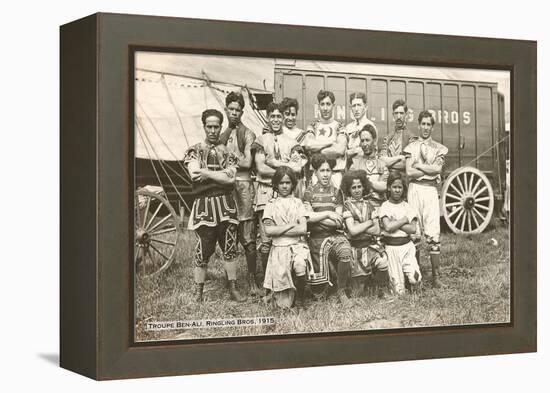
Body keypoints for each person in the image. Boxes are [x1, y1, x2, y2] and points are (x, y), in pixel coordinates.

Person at [183, 109, 246, 303]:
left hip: (226, 205)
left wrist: (208, 174)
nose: (212, 130)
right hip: (204, 206)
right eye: (209, 126)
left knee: (229, 247)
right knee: (202, 248)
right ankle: (198, 291)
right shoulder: (194, 150)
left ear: (220, 127)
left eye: (216, 126)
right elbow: (194, 174)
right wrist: (219, 175)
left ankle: (233, 288)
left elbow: (230, 179)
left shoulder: (228, 152)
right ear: (204, 126)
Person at [253, 102, 305, 288]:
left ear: (283, 118)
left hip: (288, 193)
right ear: (268, 117)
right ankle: (268, 285)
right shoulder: (261, 140)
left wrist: (275, 163)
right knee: (267, 240)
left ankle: (292, 283)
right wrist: (285, 168)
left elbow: (298, 168)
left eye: (279, 116)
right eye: (272, 116)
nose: (276, 119)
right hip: (266, 192)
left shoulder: (292, 142)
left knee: (290, 237)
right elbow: (260, 167)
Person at [219, 91, 260, 295]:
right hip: (227, 188)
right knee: (229, 234)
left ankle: (253, 280)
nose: (234, 113)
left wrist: (229, 157)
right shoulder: (222, 134)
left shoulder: (248, 133)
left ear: (242, 112)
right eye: (231, 109)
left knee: (248, 237)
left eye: (237, 110)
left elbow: (247, 162)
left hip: (244, 188)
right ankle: (231, 281)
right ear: (226, 110)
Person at [404, 110, 448, 288]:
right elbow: (409, 172)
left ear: (432, 126)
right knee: (414, 233)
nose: (425, 128)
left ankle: (436, 277)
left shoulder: (439, 148)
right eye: (423, 124)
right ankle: (415, 277)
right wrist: (427, 169)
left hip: (430, 191)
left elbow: (437, 170)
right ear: (419, 125)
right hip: (415, 189)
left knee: (433, 233)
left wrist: (419, 165)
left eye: (429, 124)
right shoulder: (411, 147)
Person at [303, 153, 353, 306]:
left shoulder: (337, 192)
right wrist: (327, 213)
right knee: (318, 293)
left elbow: (337, 222)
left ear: (332, 172)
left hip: (334, 235)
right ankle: (324, 287)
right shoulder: (309, 192)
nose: (325, 174)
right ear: (316, 172)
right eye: (322, 170)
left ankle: (341, 290)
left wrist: (317, 218)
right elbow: (307, 219)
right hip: (316, 238)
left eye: (328, 170)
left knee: (345, 250)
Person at [262, 166, 310, 308]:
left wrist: (280, 229)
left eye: (288, 183)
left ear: (292, 184)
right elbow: (269, 231)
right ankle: (285, 295)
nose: (284, 186)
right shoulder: (271, 204)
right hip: (278, 247)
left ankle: (301, 298)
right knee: (283, 305)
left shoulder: (298, 203)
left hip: (296, 245)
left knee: (300, 263)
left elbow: (303, 228)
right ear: (276, 184)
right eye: (281, 183)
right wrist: (290, 225)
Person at [341, 170, 389, 298]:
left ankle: (379, 287)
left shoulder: (370, 205)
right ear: (348, 189)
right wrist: (369, 223)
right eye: (353, 187)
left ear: (364, 187)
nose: (357, 190)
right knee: (358, 293)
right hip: (355, 248)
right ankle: (362, 284)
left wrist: (359, 225)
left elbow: (377, 231)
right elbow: (352, 231)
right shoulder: (346, 206)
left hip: (369, 246)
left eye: (359, 187)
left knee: (383, 263)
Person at [379, 172, 422, 295]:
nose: (397, 190)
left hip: (407, 247)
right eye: (394, 187)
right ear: (389, 188)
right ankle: (401, 286)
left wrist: (396, 222)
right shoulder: (385, 206)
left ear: (403, 189)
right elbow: (387, 226)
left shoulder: (407, 207)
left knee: (416, 278)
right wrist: (404, 220)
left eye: (400, 187)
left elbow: (413, 229)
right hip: (392, 248)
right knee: (398, 291)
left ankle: (413, 285)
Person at [303, 90, 347, 189]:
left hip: (336, 176)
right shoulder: (313, 126)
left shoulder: (340, 126)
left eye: (328, 104)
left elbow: (340, 149)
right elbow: (308, 144)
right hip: (317, 176)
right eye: (322, 104)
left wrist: (317, 151)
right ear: (319, 106)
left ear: (333, 106)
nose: (325, 108)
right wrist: (331, 142)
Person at [349, 124, 389, 209]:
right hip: (361, 207)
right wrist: (374, 185)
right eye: (362, 141)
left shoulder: (381, 163)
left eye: (367, 140)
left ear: (374, 141)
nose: (364, 144)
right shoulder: (355, 164)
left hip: (380, 206)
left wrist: (366, 182)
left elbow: (384, 186)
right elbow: (352, 189)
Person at [281, 97, 308, 198]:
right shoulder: (279, 132)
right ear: (282, 114)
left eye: (293, 114)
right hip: (282, 177)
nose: (290, 118)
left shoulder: (302, 134)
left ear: (296, 114)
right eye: (287, 114)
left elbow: (304, 160)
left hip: (298, 178)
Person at [379, 99, 416, 173]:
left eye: (401, 113)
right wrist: (400, 158)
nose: (399, 116)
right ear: (393, 115)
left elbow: (409, 164)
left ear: (406, 114)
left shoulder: (412, 138)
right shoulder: (388, 138)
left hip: (404, 179)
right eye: (396, 113)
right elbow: (381, 161)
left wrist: (388, 163)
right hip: (389, 179)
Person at [344, 92, 377, 165]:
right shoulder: (348, 127)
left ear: (365, 107)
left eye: (359, 105)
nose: (356, 109)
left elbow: (367, 150)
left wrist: (349, 152)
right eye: (353, 106)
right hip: (350, 167)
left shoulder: (370, 126)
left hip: (366, 165)